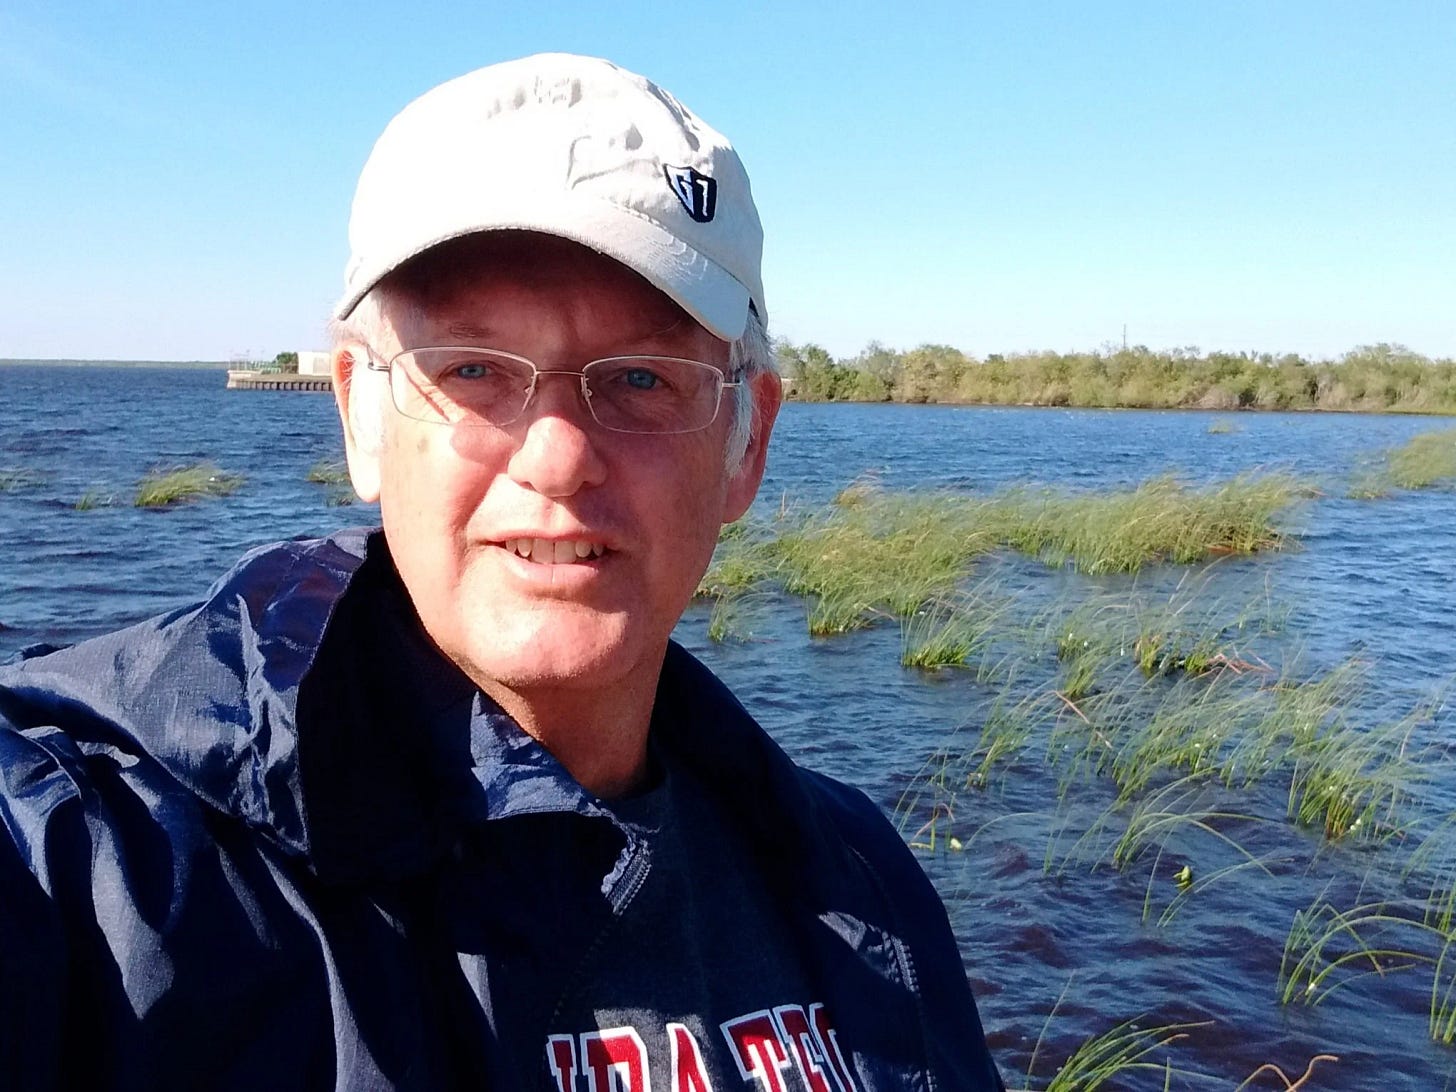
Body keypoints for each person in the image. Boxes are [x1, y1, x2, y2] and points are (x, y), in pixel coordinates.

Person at [0, 53, 1004, 1091]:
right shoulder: (103, 862)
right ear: (360, 418)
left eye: (641, 378)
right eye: (472, 370)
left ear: (746, 446)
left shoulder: (857, 881)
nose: (558, 455)